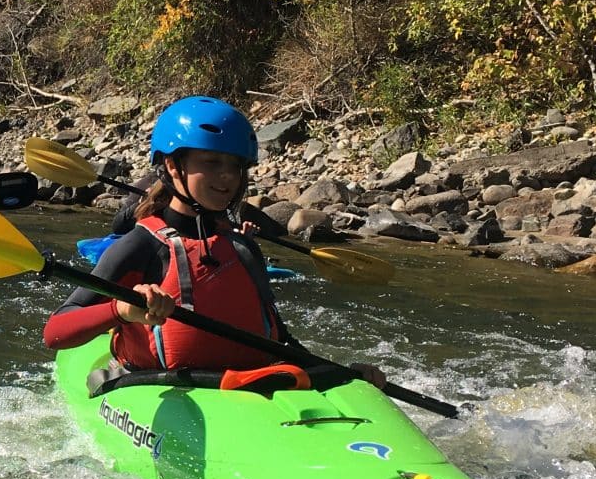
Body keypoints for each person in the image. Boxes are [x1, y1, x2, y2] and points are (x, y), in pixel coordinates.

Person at [42, 96, 381, 383]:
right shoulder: (141, 245)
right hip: (166, 388)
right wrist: (120, 309)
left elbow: (279, 339)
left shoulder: (242, 246)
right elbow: (55, 331)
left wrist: (343, 376)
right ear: (174, 166)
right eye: (212, 161)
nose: (227, 176)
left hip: (248, 387)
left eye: (235, 166)